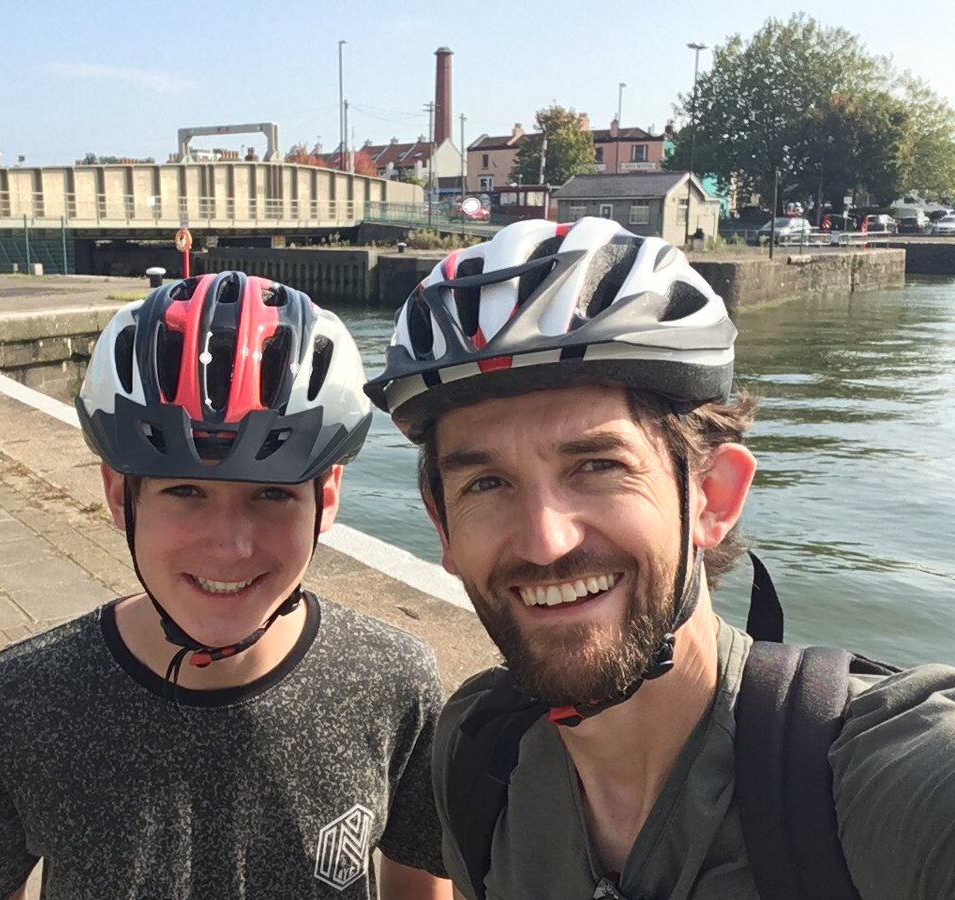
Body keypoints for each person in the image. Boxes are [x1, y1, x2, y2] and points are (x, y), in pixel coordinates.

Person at [365, 218, 955, 899]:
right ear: (442, 527)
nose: (544, 540)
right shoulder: (477, 754)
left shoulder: (873, 780)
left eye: (597, 465)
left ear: (712, 495)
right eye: (486, 484)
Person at [0, 271, 452, 899]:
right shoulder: (17, 701)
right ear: (120, 495)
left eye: (272, 494)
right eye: (185, 492)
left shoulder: (395, 682)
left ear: (326, 498)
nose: (230, 545)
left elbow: (422, 882)